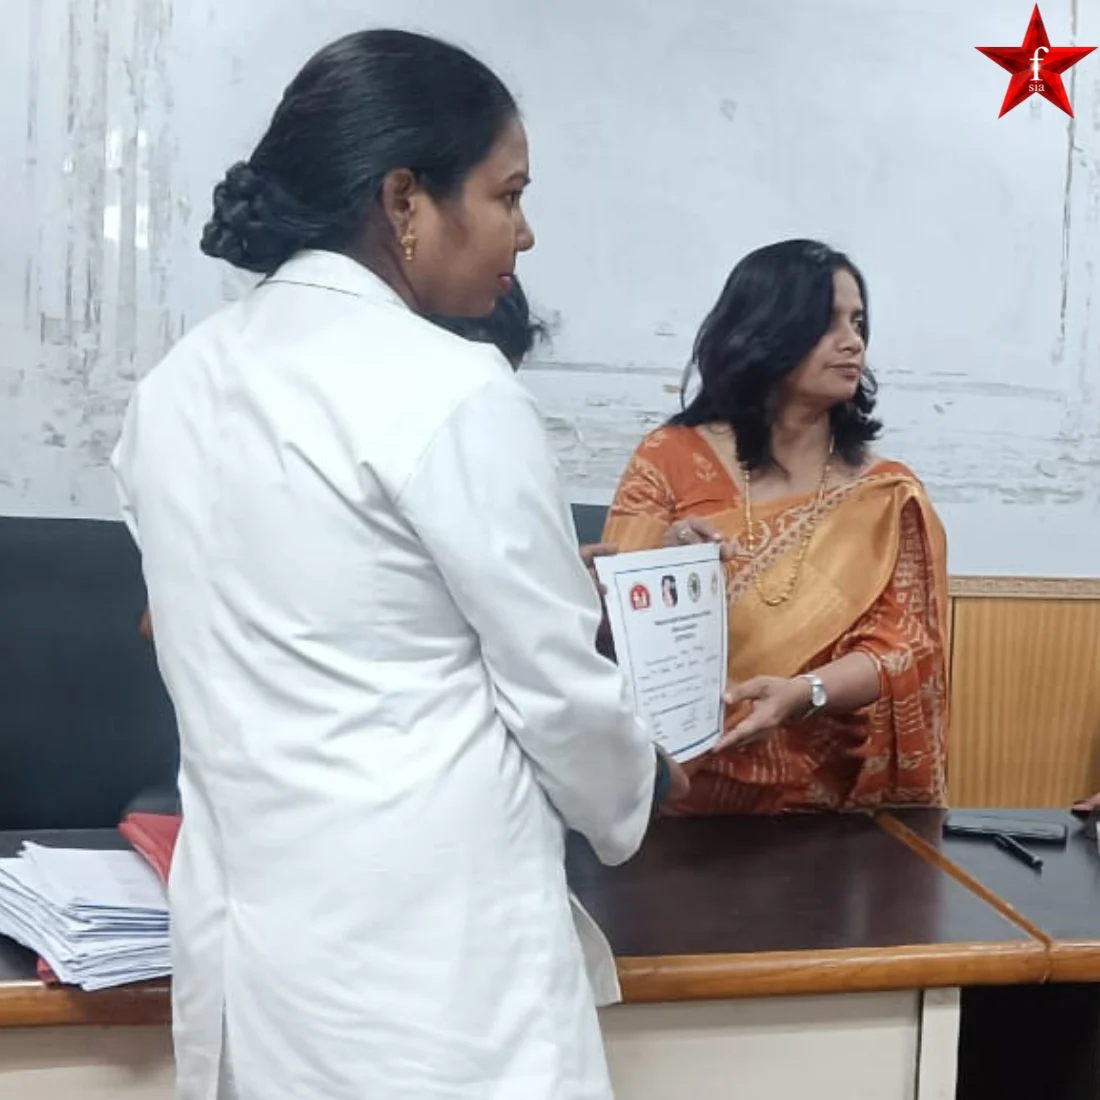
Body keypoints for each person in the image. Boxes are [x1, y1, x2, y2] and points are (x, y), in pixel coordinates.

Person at [112, 30, 684, 1100]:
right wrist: (640, 782)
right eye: (507, 194)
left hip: (257, 971)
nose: (524, 231)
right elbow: (559, 693)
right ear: (405, 200)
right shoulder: (452, 391)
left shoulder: (171, 393)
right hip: (435, 990)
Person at [604, 238, 949, 814]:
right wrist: (665, 562)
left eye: (858, 322)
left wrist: (805, 693)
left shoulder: (883, 493)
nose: (853, 341)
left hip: (819, 803)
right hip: (678, 795)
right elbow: (607, 627)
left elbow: (906, 647)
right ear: (765, 329)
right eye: (828, 322)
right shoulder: (669, 458)